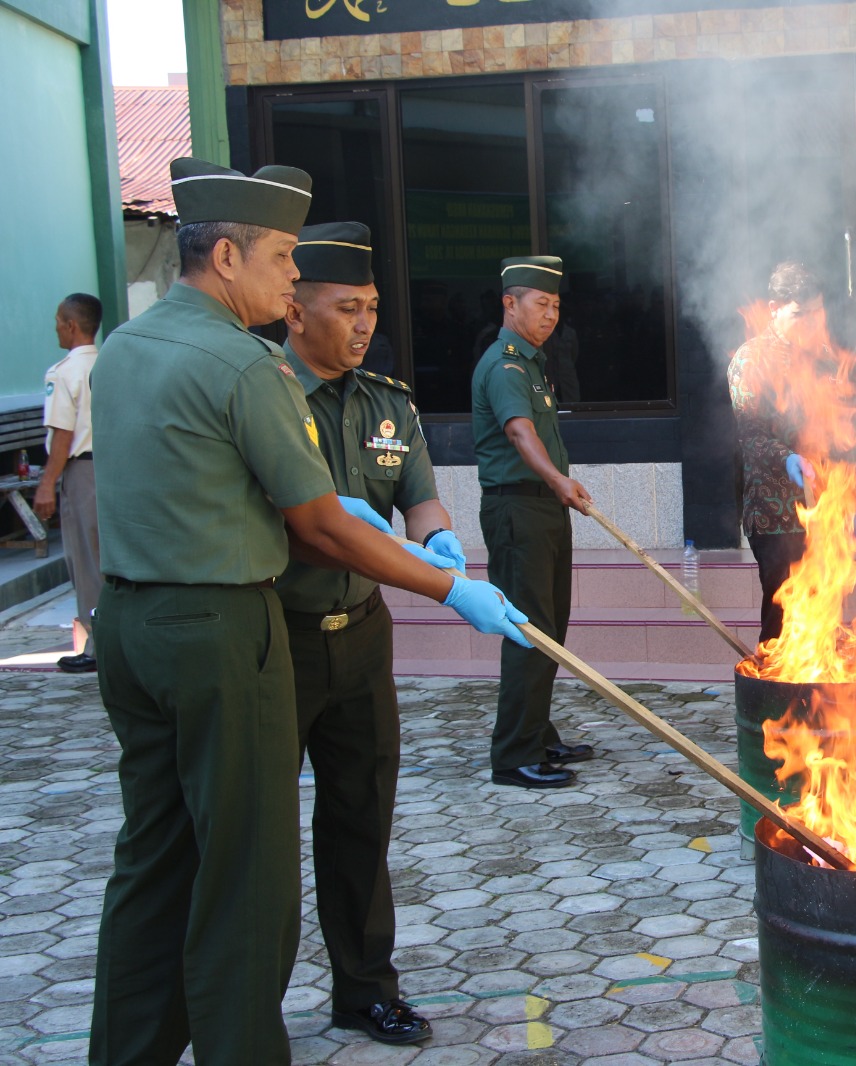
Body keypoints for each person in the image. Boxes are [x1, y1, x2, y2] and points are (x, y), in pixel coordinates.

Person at [88, 159, 530, 1066]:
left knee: (155, 862)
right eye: (283, 256)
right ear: (223, 257)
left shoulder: (127, 348)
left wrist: (401, 527)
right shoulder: (245, 366)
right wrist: (451, 587)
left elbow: (192, 484)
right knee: (248, 880)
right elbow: (322, 522)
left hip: (130, 629)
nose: (291, 277)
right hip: (223, 633)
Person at [278, 222, 460, 1046]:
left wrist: (439, 540)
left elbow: (418, 496)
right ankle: (249, 999)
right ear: (293, 308)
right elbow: (316, 528)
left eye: (373, 308)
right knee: (262, 831)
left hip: (361, 638)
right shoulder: (264, 396)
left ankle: (364, 988)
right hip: (273, 640)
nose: (363, 325)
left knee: (360, 817)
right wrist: (443, 584)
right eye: (346, 307)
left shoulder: (388, 401)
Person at [473, 255, 595, 790]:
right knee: (528, 629)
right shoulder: (504, 365)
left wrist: (557, 489)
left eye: (556, 306)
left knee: (550, 625)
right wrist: (557, 480)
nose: (550, 315)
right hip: (517, 508)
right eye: (540, 304)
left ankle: (539, 734)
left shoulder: (533, 363)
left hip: (543, 508)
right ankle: (513, 754)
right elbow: (522, 435)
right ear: (510, 303)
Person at [727, 261, 832, 644]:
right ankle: (771, 698)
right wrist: (788, 459)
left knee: (822, 611)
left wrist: (845, 502)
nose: (810, 322)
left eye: (816, 312)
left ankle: (822, 700)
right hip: (774, 516)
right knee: (783, 614)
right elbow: (750, 435)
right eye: (799, 314)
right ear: (774, 308)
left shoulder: (821, 358)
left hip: (821, 509)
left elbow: (834, 435)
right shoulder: (751, 359)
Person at [35, 292, 103, 673]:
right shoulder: (109, 361)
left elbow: (63, 434)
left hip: (82, 471)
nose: (57, 328)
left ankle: (96, 644)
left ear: (71, 325)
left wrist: (47, 484)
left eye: (59, 321)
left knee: (85, 559)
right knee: (109, 557)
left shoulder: (63, 372)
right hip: (112, 468)